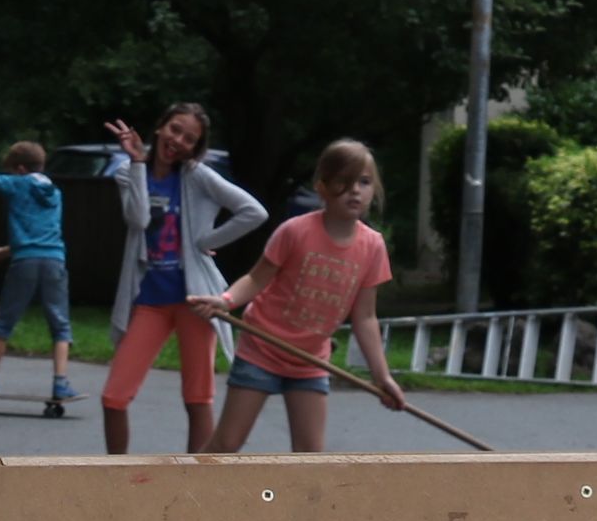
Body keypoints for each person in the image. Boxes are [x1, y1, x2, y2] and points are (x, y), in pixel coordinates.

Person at [192, 139, 399, 454]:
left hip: (310, 361)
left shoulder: (373, 247)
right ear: (323, 187)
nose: (355, 190)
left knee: (309, 455)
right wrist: (226, 301)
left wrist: (382, 376)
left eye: (364, 182)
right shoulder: (295, 231)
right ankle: (181, 496)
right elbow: (255, 279)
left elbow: (365, 317)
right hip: (262, 347)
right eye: (344, 181)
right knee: (227, 443)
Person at [102, 103, 263, 455]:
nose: (178, 141)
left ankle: (195, 481)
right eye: (174, 129)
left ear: (195, 147)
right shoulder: (129, 173)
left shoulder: (197, 175)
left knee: (197, 397)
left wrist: (206, 241)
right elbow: (140, 220)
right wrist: (138, 162)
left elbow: (254, 211)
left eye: (189, 138)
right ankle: (113, 477)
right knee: (114, 397)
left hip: (196, 302)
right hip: (149, 301)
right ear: (160, 127)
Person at [0, 140, 72, 407]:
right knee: (60, 324)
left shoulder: (19, 184)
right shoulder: (55, 193)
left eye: (13, 170)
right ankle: (60, 383)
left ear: (20, 168)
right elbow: (41, 236)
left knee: (6, 319)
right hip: (54, 260)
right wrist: (2, 251)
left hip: (25, 263)